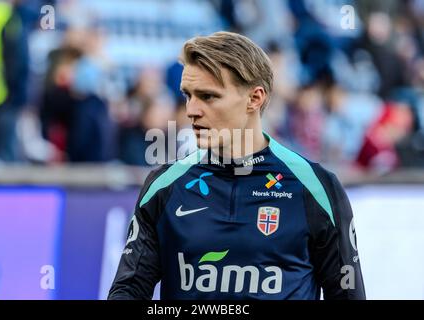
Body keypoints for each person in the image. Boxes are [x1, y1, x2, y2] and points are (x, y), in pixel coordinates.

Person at [108, 31, 365, 300]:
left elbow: (348, 295)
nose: (191, 110)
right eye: (188, 95)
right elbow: (128, 290)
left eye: (208, 96)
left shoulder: (318, 188)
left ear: (255, 98)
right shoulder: (164, 186)